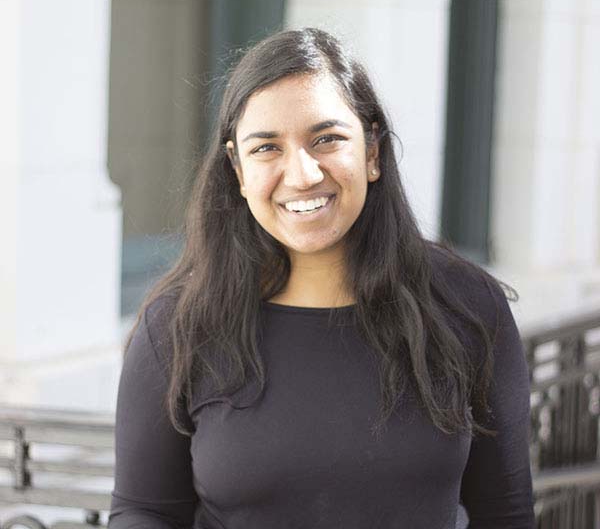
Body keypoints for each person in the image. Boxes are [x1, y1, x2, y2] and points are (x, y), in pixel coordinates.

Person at [108, 27, 534, 529]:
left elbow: (505, 514)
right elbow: (145, 512)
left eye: (327, 139)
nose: (303, 174)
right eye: (266, 148)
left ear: (372, 152)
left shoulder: (467, 306)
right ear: (238, 171)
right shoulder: (177, 328)